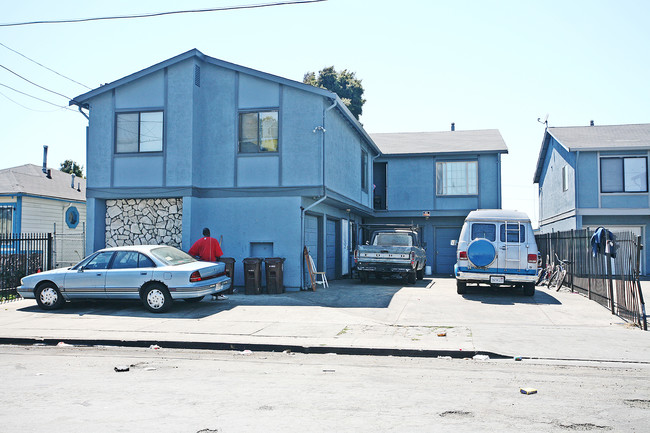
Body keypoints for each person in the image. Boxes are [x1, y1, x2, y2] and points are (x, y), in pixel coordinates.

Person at [189, 227, 227, 300]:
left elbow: (191, 253)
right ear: (209, 233)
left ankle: (211, 294)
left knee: (206, 281)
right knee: (216, 280)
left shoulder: (199, 241)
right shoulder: (214, 241)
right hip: (212, 264)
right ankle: (217, 295)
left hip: (202, 265)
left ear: (203, 234)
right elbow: (218, 255)